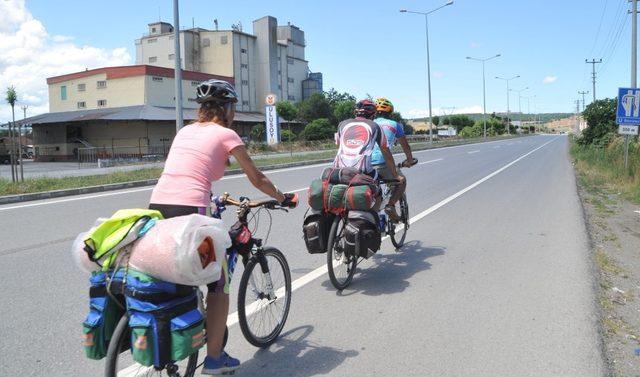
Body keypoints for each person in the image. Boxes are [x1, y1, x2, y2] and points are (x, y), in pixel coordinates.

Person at [148, 79, 296, 375]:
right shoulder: (227, 134)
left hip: (158, 207)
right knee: (218, 283)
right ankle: (214, 358)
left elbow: (184, 172)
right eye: (233, 108)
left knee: (174, 269)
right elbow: (258, 178)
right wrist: (282, 197)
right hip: (192, 211)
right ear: (227, 108)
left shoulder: (184, 131)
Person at [333, 99, 404, 210]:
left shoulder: (342, 124)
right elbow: (386, 152)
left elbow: (338, 144)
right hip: (362, 171)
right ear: (373, 114)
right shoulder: (375, 126)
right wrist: (395, 176)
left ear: (355, 112)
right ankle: (375, 219)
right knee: (378, 194)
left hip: (339, 171)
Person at [371, 97, 415, 221]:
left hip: (366, 164)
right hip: (383, 164)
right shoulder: (395, 125)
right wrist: (409, 160)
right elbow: (405, 145)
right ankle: (390, 205)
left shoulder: (370, 124)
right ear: (390, 113)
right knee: (401, 181)